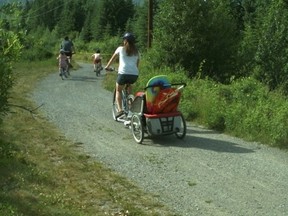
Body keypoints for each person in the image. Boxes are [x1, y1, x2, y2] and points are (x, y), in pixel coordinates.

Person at [105, 32, 140, 118]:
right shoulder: (137, 52)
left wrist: (107, 67)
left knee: (118, 90)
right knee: (129, 89)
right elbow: (137, 64)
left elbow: (112, 59)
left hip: (123, 73)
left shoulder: (120, 49)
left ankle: (120, 110)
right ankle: (131, 106)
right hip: (134, 74)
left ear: (125, 41)